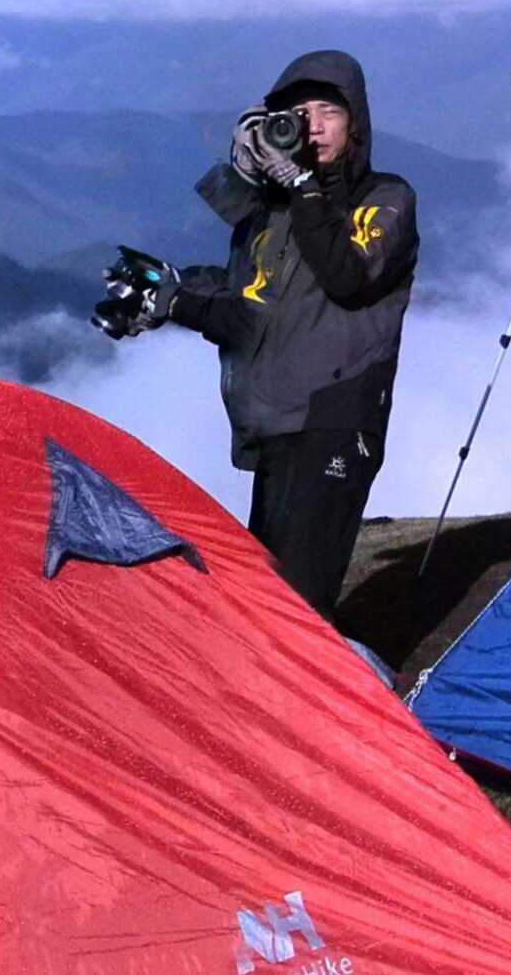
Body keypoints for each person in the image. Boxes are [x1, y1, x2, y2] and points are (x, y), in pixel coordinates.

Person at [159, 50, 419, 621]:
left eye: (329, 112)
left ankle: (331, 682)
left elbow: (348, 276)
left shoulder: (386, 198)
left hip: (333, 419)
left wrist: (301, 183)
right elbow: (250, 306)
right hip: (277, 422)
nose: (314, 126)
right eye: (299, 115)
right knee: (269, 601)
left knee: (299, 605)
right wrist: (173, 296)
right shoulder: (277, 211)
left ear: (356, 124)